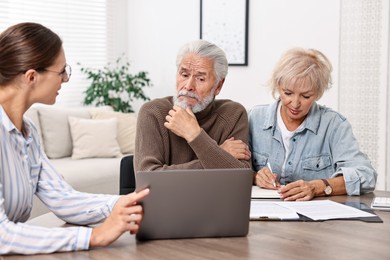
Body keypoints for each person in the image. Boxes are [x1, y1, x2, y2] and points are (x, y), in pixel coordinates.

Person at [0, 22, 149, 255]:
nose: (66, 79)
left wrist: (121, 204)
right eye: (61, 72)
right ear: (31, 77)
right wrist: (93, 236)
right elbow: (2, 235)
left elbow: (63, 198)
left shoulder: (27, 132)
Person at [249, 47, 377, 201]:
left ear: (318, 93)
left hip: (315, 220)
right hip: (265, 213)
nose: (295, 103)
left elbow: (366, 175)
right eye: (288, 93)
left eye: (306, 96)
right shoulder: (254, 118)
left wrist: (319, 187)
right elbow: (232, 169)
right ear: (278, 86)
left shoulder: (334, 124)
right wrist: (255, 177)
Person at [134, 40, 251, 171]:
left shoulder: (233, 114)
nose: (188, 86)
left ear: (218, 86)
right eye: (184, 75)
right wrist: (219, 154)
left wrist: (194, 134)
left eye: (200, 79)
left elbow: (241, 177)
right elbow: (148, 180)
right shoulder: (153, 112)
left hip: (215, 193)